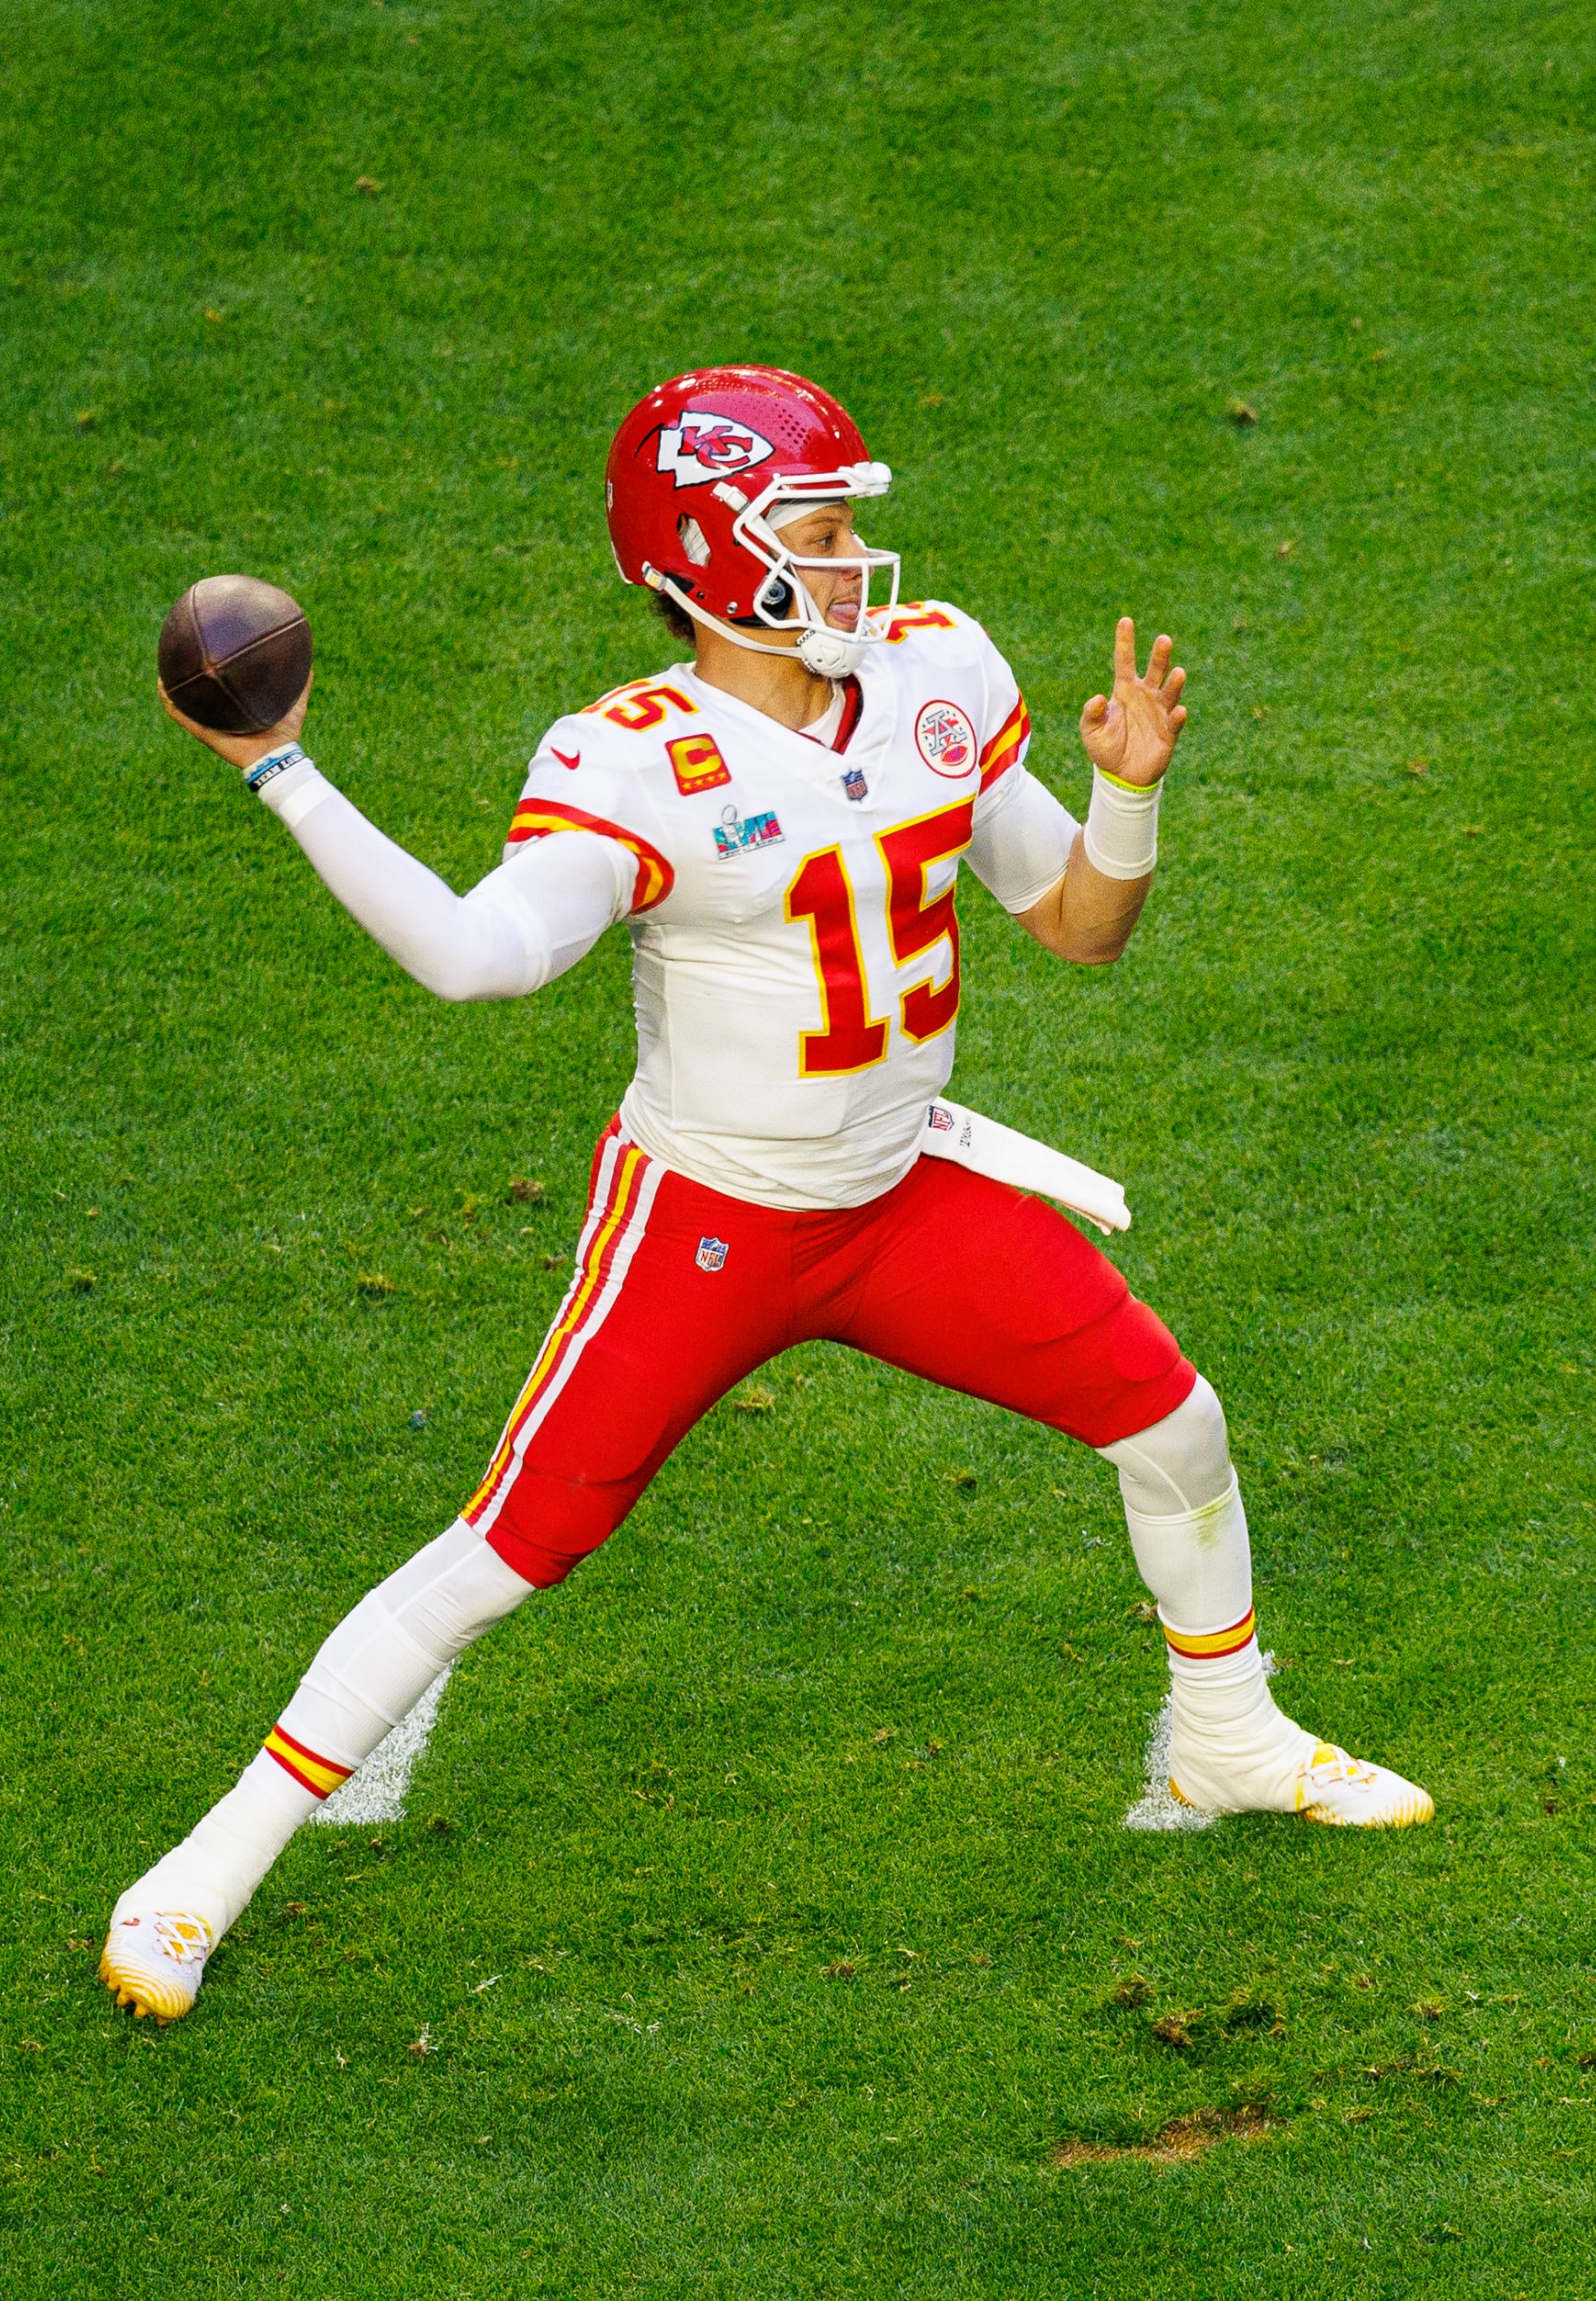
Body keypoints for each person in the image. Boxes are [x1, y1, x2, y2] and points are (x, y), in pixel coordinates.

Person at [102, 365, 1432, 2025]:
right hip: (714, 1222)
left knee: (1176, 1421)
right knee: (513, 1544)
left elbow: (1078, 924)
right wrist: (281, 770)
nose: (844, 555)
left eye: (840, 519)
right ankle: (210, 1864)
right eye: (805, 524)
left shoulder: (936, 668)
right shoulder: (633, 756)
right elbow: (472, 958)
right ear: (700, 556)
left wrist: (1131, 786)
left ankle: (1231, 1739)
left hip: (898, 1196)